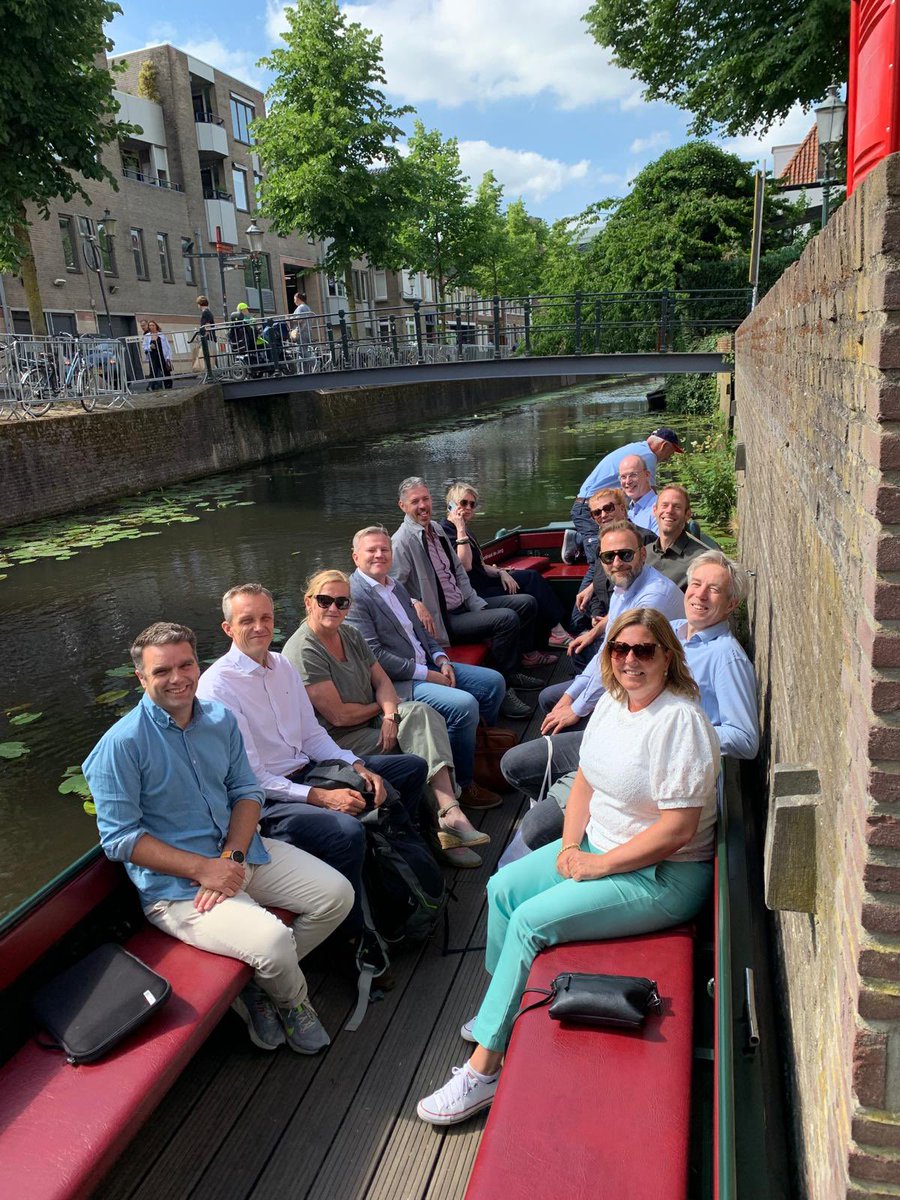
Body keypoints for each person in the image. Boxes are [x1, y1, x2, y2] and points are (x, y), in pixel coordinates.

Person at [416, 607, 719, 1124]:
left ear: (667, 657)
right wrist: (568, 846)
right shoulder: (613, 705)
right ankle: (500, 1007)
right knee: (503, 887)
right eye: (619, 650)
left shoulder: (679, 721)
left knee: (532, 924)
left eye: (643, 650)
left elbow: (677, 830)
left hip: (662, 873)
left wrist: (599, 867)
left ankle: (484, 1070)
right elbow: (584, 782)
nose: (629, 660)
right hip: (599, 845)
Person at [83, 621, 353, 1055]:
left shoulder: (219, 719)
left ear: (197, 663)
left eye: (185, 664)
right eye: (162, 671)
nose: (177, 678)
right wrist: (205, 868)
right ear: (141, 677)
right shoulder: (121, 745)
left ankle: (259, 989)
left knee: (337, 896)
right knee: (273, 941)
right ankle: (293, 1001)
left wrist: (232, 855)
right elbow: (119, 839)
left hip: (240, 853)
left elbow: (247, 792)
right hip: (178, 888)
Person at [195, 583, 429, 941]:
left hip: (310, 771)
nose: (259, 627)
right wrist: (320, 797)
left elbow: (312, 737)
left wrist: (356, 766)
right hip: (267, 801)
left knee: (410, 769)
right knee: (346, 832)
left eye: (266, 618)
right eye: (247, 620)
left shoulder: (283, 666)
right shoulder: (217, 688)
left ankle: (403, 873)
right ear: (228, 628)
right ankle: (355, 937)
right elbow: (253, 778)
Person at [509, 550, 759, 853]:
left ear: (731, 604)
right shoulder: (674, 629)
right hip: (618, 734)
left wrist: (677, 734)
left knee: (535, 828)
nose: (700, 595)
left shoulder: (726, 658)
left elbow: (746, 740)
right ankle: (581, 810)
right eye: (695, 584)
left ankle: (592, 832)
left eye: (714, 589)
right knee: (515, 764)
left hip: (650, 760)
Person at [284, 569, 490, 869]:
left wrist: (391, 714)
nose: (333, 608)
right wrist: (382, 711)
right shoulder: (304, 649)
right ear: (308, 602)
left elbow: (382, 682)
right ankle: (439, 835)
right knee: (411, 750)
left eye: (342, 602)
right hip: (336, 739)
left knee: (422, 714)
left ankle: (449, 812)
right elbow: (339, 715)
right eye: (325, 600)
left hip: (373, 719)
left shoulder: (349, 634)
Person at [347, 526, 507, 812]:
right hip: (398, 682)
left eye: (384, 549)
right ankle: (463, 784)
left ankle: (474, 753)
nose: (379, 555)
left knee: (493, 683)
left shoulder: (394, 586)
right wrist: (427, 674)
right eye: (371, 550)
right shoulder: (355, 596)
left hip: (428, 664)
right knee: (464, 704)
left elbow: (420, 632)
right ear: (356, 556)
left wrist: (442, 659)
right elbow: (376, 656)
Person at [391, 477, 542, 719]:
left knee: (525, 603)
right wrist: (414, 602)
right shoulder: (401, 542)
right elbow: (392, 586)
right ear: (403, 506)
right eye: (415, 501)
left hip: (464, 606)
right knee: (506, 619)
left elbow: (460, 571)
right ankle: (506, 685)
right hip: (444, 619)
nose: (422, 505)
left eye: (426, 499)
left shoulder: (437, 530)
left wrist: (476, 603)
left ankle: (517, 666)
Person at [543, 520, 685, 726]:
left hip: (650, 687)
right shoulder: (624, 585)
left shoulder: (652, 598)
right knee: (551, 698)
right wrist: (570, 696)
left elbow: (618, 660)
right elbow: (606, 650)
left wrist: (577, 708)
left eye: (625, 554)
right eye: (609, 556)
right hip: (627, 671)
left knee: (564, 715)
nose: (617, 563)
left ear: (642, 555)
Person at [441, 481, 571, 662]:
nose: (469, 508)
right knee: (527, 597)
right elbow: (466, 565)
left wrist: (502, 572)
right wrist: (460, 529)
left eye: (472, 504)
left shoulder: (466, 531)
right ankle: (538, 647)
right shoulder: (446, 531)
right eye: (464, 503)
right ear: (451, 504)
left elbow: (480, 565)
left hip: (484, 581)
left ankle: (557, 631)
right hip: (473, 593)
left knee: (530, 578)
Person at [568, 428, 683, 565]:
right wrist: (662, 509)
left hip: (589, 504)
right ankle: (583, 543)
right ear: (664, 446)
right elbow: (648, 491)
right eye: (670, 452)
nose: (668, 458)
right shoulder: (648, 456)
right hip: (590, 508)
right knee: (598, 560)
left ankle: (579, 540)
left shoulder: (636, 447)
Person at [644, 484, 709, 588]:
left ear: (687, 514)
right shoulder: (644, 554)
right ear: (655, 510)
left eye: (677, 507)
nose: (669, 511)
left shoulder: (701, 560)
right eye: (664, 505)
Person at [618, 454, 658, 534]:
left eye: (633, 475)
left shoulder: (659, 508)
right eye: (623, 477)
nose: (628, 481)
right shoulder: (629, 512)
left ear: (647, 475)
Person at [142, 320, 173, 390]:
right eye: (150, 325)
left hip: (162, 355)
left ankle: (168, 385)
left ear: (156, 326)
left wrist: (168, 357)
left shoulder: (161, 335)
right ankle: (152, 386)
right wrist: (150, 347)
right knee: (153, 371)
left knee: (165, 370)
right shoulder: (147, 336)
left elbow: (167, 346)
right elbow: (144, 346)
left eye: (153, 325)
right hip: (153, 356)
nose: (151, 327)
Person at [191, 295, 216, 372]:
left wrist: (204, 337)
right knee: (209, 359)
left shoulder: (205, 313)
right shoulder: (208, 312)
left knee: (207, 359)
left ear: (199, 304)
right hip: (211, 339)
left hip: (208, 339)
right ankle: (211, 374)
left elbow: (207, 326)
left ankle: (210, 375)